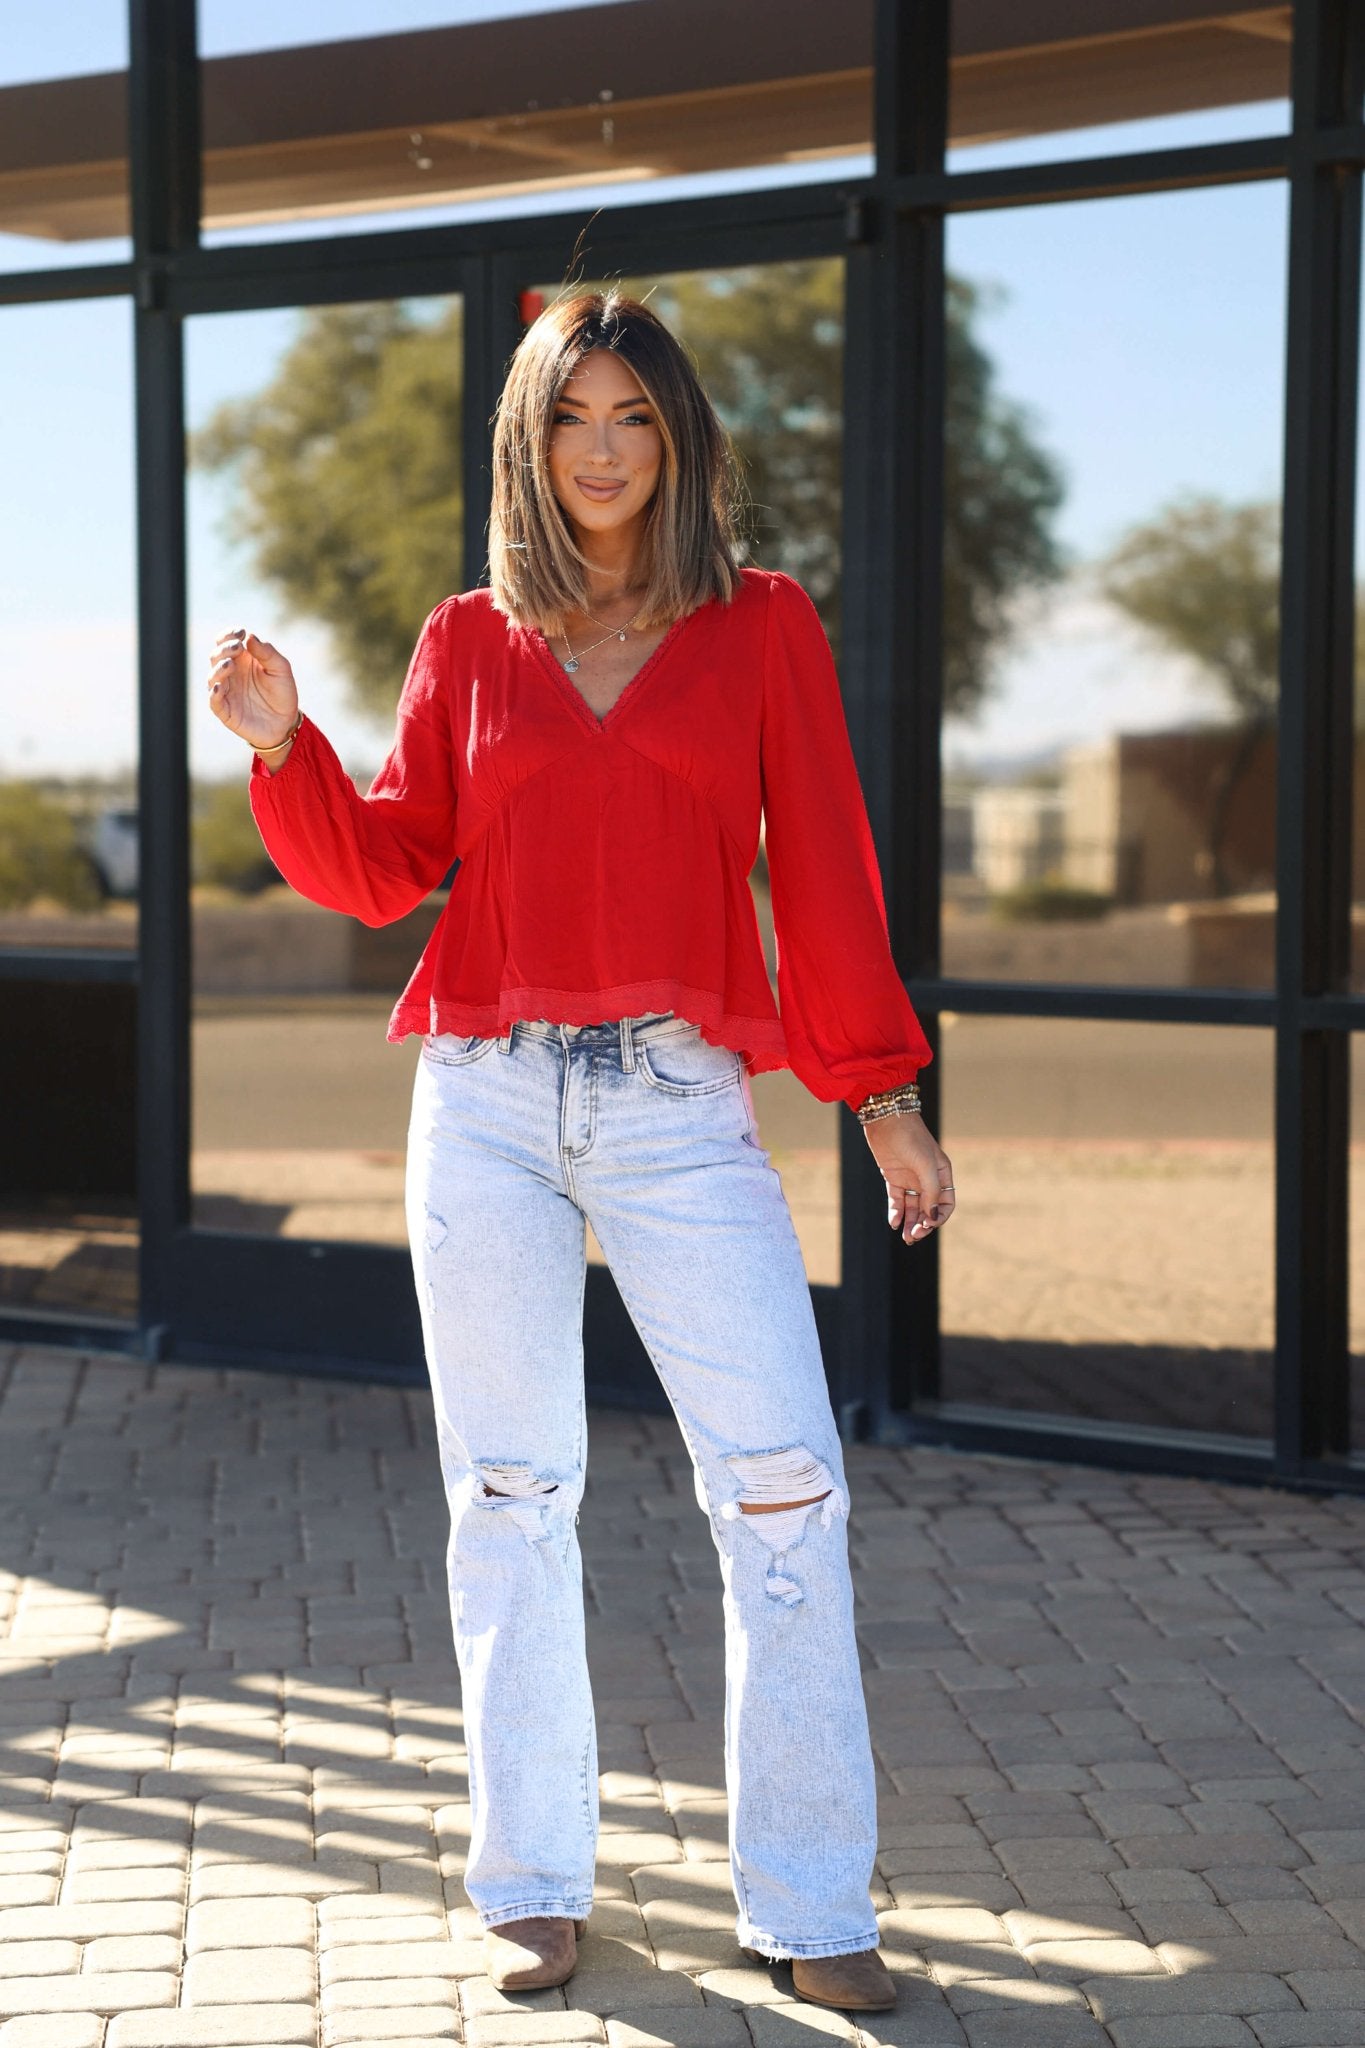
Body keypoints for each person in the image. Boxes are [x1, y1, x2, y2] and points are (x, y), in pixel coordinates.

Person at [206, 289, 955, 2014]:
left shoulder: (762, 624)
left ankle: (809, 1900)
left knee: (784, 1491)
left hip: (682, 1109)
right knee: (508, 1497)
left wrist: (878, 1091)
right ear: (525, 444)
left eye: (630, 414)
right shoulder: (469, 638)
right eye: (568, 417)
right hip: (483, 1100)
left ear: (677, 436)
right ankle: (531, 1882)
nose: (601, 449)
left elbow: (822, 868)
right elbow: (387, 867)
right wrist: (287, 749)